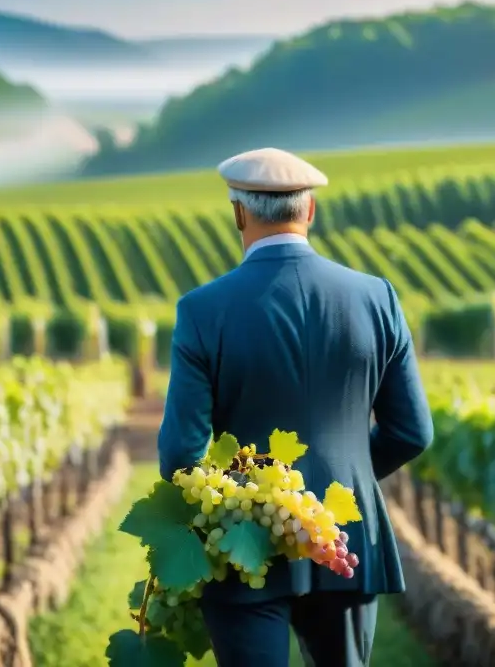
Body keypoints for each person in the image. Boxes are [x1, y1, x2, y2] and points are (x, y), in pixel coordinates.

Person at [157, 147, 434, 667]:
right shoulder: (378, 298)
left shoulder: (201, 310)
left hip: (240, 541)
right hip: (341, 535)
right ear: (310, 212)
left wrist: (257, 502)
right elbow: (412, 431)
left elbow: (179, 455)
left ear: (238, 213)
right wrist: (335, 484)